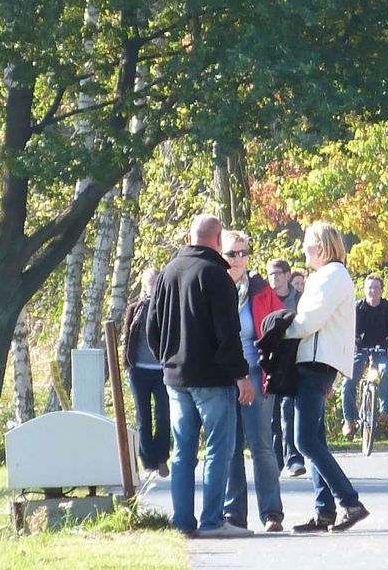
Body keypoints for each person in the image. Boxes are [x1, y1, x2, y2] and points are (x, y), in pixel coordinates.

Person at [145, 214, 255, 538]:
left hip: (176, 378)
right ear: (218, 240)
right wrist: (241, 375)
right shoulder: (217, 275)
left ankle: (181, 521)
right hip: (212, 378)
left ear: (190, 236)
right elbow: (228, 332)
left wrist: (167, 359)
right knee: (219, 449)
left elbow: (151, 328)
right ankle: (212, 520)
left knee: (182, 451)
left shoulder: (167, 273)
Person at [284, 221, 369, 533]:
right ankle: (324, 511)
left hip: (316, 362)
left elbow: (309, 322)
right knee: (314, 438)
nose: (303, 249)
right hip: (317, 361)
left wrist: (278, 332)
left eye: (307, 244)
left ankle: (350, 502)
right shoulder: (328, 276)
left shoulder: (332, 275)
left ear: (320, 247)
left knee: (304, 439)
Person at [221, 231, 285, 532]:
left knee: (262, 445)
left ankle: (272, 512)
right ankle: (234, 514)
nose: (238, 259)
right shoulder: (213, 286)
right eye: (232, 254)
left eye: (243, 253)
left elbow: (277, 325)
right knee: (231, 446)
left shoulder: (260, 290)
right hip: (224, 377)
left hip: (257, 373)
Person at [341, 274, 388, 437]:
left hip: (381, 351)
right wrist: (352, 342)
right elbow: (349, 328)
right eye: (370, 287)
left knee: (386, 370)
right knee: (348, 381)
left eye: (376, 287)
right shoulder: (357, 308)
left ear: (381, 290)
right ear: (364, 290)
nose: (373, 291)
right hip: (361, 351)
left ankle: (385, 412)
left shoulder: (387, 307)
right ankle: (349, 419)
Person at [123, 267, 170, 477]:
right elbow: (127, 338)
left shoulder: (168, 308)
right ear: (144, 286)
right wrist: (127, 364)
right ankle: (148, 460)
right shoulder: (134, 309)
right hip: (139, 370)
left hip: (162, 370)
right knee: (143, 417)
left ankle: (161, 457)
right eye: (151, 283)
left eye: (158, 283)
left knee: (163, 415)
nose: (154, 287)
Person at [267, 258, 306, 477]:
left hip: (293, 359)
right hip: (270, 360)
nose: (274, 278)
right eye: (270, 275)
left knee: (288, 410)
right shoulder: (264, 298)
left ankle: (293, 458)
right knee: (272, 414)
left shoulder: (299, 299)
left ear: (287, 276)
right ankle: (275, 459)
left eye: (278, 274)